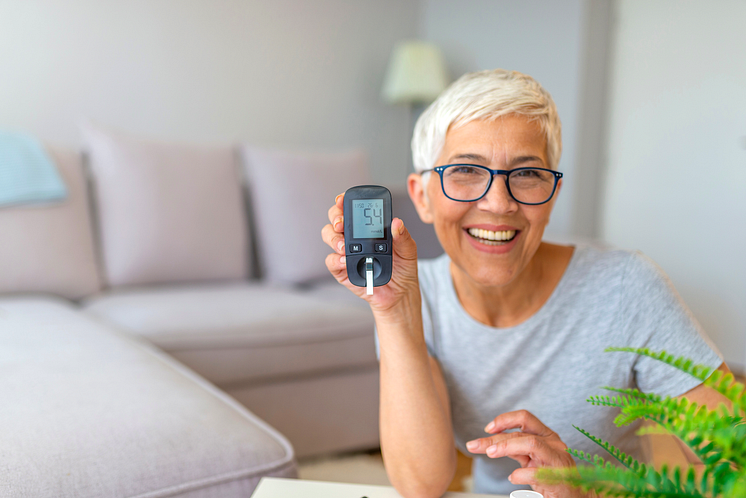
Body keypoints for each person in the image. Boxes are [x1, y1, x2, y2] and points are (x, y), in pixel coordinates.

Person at [321, 69, 729, 498]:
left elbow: (733, 463)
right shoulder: (416, 295)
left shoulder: (626, 288)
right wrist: (394, 311)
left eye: (528, 174)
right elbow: (423, 483)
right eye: (465, 171)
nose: (498, 203)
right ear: (422, 196)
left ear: (552, 194)